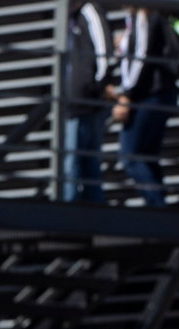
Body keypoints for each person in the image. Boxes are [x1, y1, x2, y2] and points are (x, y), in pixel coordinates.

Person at [113, 6, 176, 207]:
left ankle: (158, 207)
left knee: (130, 155)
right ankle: (159, 207)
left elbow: (142, 54)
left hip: (149, 94)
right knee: (148, 156)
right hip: (162, 93)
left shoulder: (144, 14)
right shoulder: (150, 16)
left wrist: (126, 94)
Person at [63, 0, 115, 202]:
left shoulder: (89, 10)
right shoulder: (71, 17)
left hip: (86, 101)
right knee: (79, 161)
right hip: (75, 101)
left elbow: (105, 52)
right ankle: (85, 207)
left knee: (75, 162)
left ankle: (72, 212)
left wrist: (96, 87)